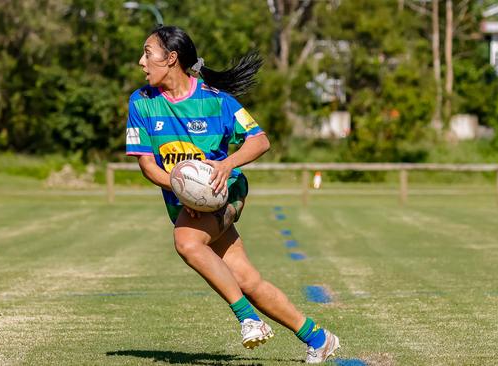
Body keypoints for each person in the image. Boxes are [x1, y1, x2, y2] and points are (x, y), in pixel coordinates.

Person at [125, 25, 340, 363]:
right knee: (247, 280)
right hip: (187, 200)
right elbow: (148, 166)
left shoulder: (217, 100)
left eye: (147, 53)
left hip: (228, 191)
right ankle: (318, 338)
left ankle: (248, 319)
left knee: (187, 241)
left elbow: (260, 141)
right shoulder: (142, 103)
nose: (141, 62)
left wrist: (226, 165)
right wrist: (183, 191)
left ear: (171, 58)